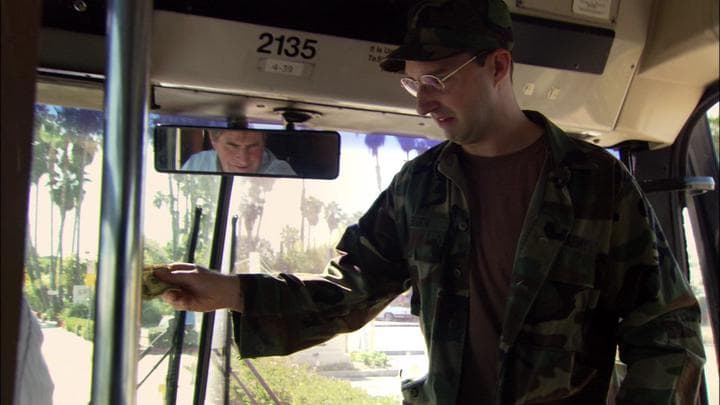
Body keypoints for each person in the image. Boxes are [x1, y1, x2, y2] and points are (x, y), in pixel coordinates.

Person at [154, 0, 706, 403]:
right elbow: (351, 293)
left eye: (438, 78)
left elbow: (665, 332)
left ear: (498, 65)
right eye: (413, 85)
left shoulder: (597, 184)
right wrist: (228, 290)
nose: (423, 103)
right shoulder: (419, 186)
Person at [181, 129, 296, 175]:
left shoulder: (281, 174)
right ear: (213, 141)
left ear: (263, 142)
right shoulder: (197, 165)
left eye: (253, 146)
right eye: (233, 146)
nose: (243, 158)